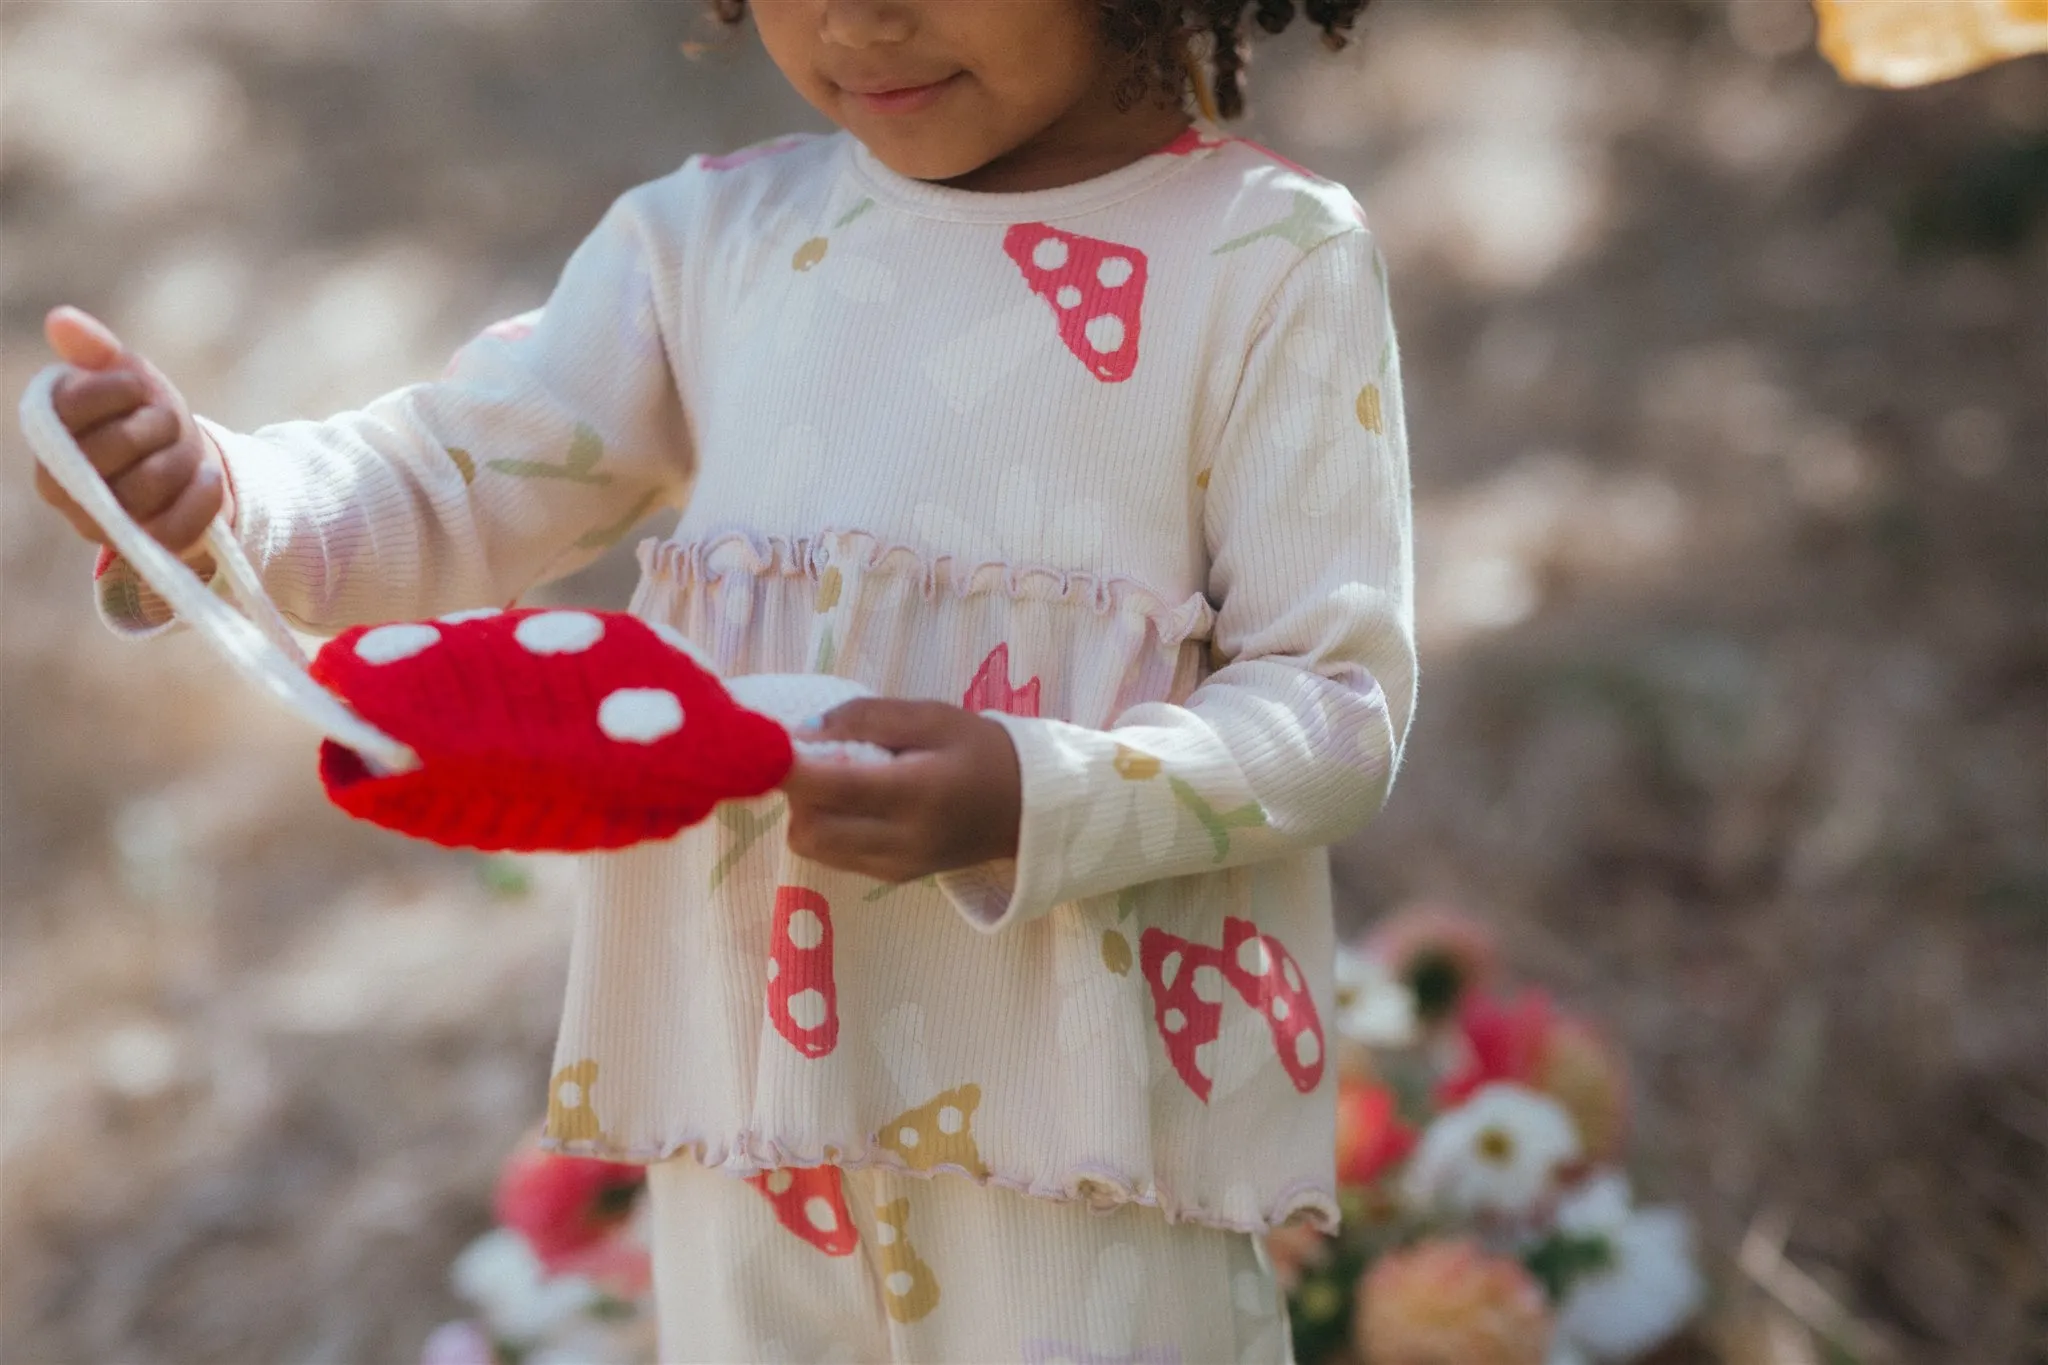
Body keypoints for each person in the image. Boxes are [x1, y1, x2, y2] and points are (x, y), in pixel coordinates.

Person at [33, 0, 1414, 1358]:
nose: (860, 19)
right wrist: (215, 492)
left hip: (1083, 1118)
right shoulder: (713, 243)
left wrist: (1032, 793)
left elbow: (1334, 709)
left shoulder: (1265, 260)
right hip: (753, 1084)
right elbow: (451, 477)